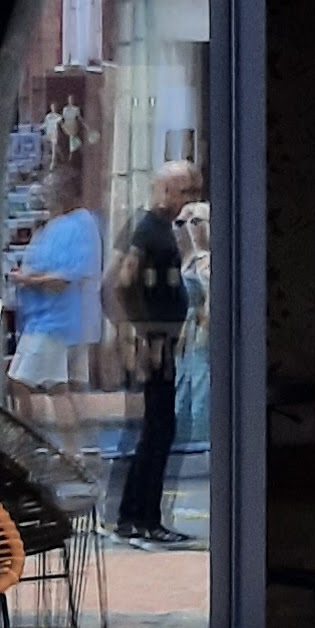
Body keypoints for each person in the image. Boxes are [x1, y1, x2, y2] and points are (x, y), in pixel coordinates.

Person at [113, 162, 202, 539]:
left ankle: (136, 516)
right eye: (185, 192)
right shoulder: (149, 229)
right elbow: (124, 282)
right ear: (166, 190)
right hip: (156, 341)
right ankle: (143, 518)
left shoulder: (160, 229)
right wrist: (144, 333)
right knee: (158, 429)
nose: (190, 200)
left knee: (159, 429)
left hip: (162, 338)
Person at [7, 166, 104, 424]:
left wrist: (28, 280)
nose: (45, 196)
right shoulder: (60, 225)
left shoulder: (79, 226)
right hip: (47, 320)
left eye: (50, 190)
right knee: (57, 387)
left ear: (65, 192)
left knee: (24, 382)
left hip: (56, 322)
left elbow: (64, 278)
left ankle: (26, 435)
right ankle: (70, 442)